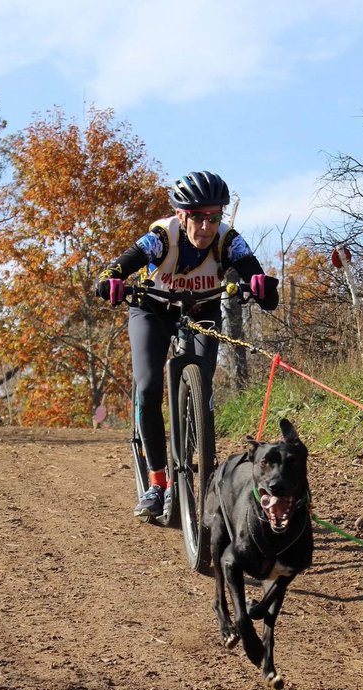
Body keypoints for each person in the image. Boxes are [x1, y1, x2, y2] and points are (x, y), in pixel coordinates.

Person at [95, 170, 279, 519]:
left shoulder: (229, 241)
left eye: (214, 217)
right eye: (197, 217)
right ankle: (158, 482)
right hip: (152, 308)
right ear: (182, 215)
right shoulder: (162, 237)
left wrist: (260, 285)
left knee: (201, 382)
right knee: (149, 388)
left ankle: (191, 461)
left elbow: (255, 274)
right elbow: (115, 267)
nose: (206, 227)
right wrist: (111, 280)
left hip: (201, 308)